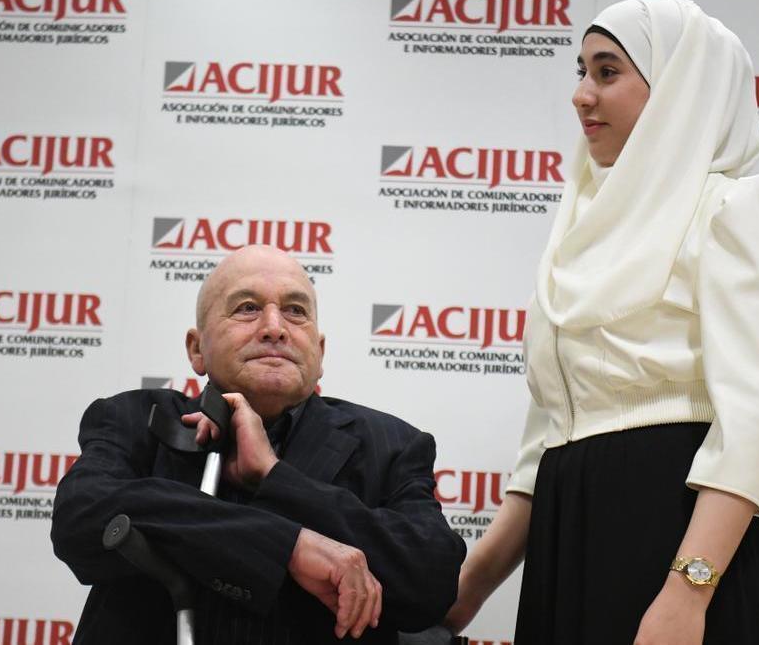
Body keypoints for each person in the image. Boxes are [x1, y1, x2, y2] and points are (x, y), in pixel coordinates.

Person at [444, 0, 759, 645]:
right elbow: (552, 433)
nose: (581, 95)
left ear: (677, 86)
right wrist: (467, 587)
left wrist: (687, 593)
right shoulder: (579, 229)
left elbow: (751, 426)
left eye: (607, 71)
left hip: (675, 541)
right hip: (568, 539)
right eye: (581, 71)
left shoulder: (736, 209)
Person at [52, 245, 466, 644]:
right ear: (196, 349)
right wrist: (288, 547)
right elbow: (82, 518)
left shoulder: (391, 445)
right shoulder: (138, 419)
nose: (274, 327)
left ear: (320, 352)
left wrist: (275, 477)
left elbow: (431, 582)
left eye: (295, 311)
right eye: (247, 308)